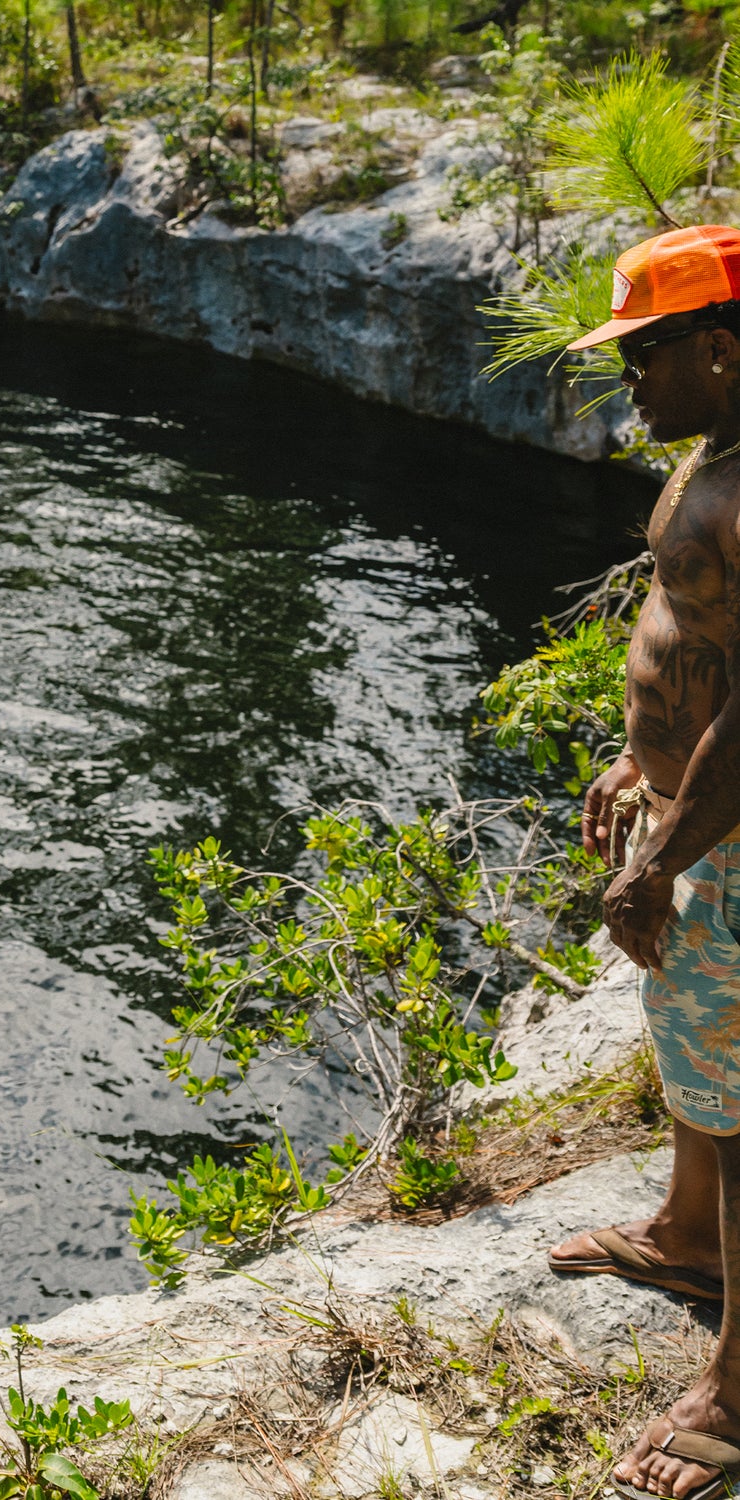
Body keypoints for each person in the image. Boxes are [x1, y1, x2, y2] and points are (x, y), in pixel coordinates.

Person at [541, 225, 740, 1499]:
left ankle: (736, 1382)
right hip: (697, 818)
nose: (630, 379)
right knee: (697, 1039)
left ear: (720, 350)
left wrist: (661, 854)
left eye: (646, 353)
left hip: (731, 838)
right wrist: (638, 764)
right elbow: (700, 646)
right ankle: (687, 1231)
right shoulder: (712, 459)